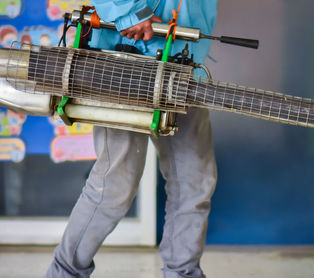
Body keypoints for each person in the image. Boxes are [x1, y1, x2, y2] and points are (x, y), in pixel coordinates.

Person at [44, 0, 218, 277]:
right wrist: (128, 13)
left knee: (193, 180)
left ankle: (182, 274)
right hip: (125, 58)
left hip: (185, 61)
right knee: (115, 183)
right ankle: (64, 274)